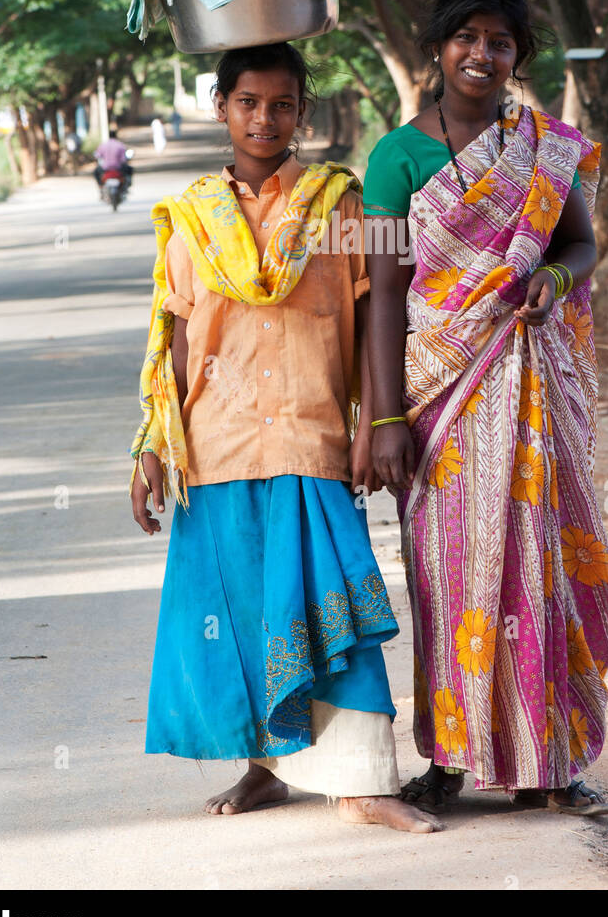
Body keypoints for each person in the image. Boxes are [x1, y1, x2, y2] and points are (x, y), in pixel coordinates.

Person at [130, 41, 438, 834]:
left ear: (304, 111)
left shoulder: (343, 201)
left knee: (332, 608)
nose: (265, 118)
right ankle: (267, 768)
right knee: (241, 619)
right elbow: (171, 339)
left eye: (282, 104)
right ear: (221, 107)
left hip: (312, 435)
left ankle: (368, 782)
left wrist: (380, 418)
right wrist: (152, 448)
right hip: (218, 443)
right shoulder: (192, 214)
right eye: (248, 103)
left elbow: (378, 310)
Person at [364, 0, 608, 816]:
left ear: (519, 57)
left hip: (533, 387)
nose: (482, 54)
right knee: (448, 576)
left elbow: (581, 245)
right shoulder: (394, 158)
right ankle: (447, 758)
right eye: (466, 37)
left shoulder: (540, 148)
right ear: (436, 48)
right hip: (438, 391)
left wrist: (551, 275)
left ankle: (548, 763)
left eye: (501, 42)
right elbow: (381, 290)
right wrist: (384, 418)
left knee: (536, 568)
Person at [94, 128, 132, 193]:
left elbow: (97, 155)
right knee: (130, 169)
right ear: (116, 136)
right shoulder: (120, 145)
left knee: (95, 172)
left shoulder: (103, 145)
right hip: (118, 168)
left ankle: (100, 186)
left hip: (105, 168)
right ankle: (127, 186)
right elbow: (123, 159)